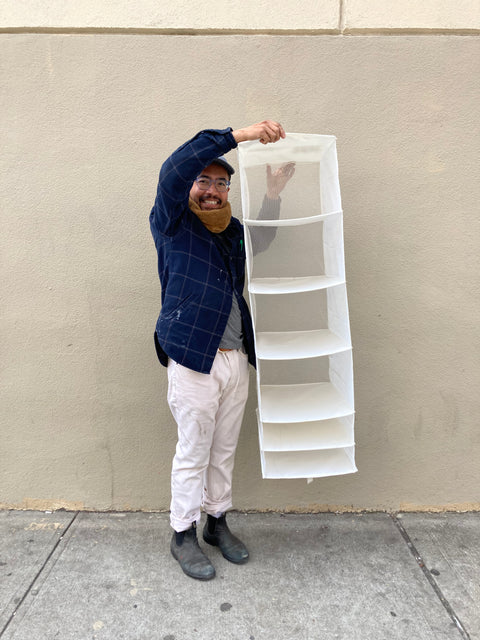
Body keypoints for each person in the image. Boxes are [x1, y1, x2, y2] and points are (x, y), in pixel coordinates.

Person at [149, 120, 294, 580]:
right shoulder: (172, 221)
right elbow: (174, 168)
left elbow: (262, 243)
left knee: (224, 448)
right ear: (191, 185)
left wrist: (272, 194)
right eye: (204, 180)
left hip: (235, 358)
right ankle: (182, 535)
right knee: (193, 449)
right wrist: (242, 134)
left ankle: (217, 523)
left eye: (221, 183)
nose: (212, 190)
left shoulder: (230, 231)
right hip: (194, 356)